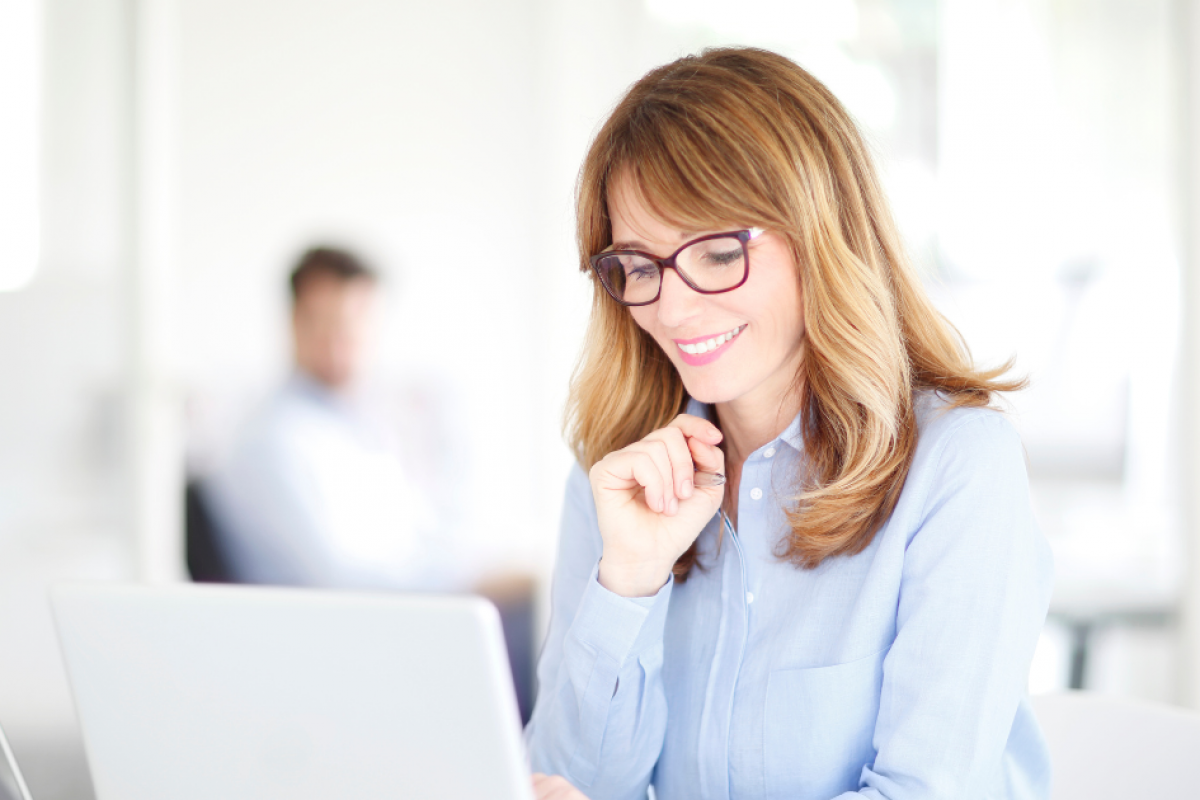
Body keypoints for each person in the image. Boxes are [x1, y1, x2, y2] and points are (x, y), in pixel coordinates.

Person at [526, 48, 1053, 800]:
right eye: (639, 267)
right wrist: (629, 582)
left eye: (715, 253)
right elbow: (564, 784)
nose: (672, 309)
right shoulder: (620, 477)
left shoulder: (957, 464)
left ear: (823, 234)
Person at [203, 246, 450, 589]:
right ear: (295, 322)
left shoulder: (357, 427)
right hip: (342, 627)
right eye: (327, 323)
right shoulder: (270, 440)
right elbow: (339, 582)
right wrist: (469, 582)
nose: (341, 341)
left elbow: (416, 541)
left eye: (356, 323)